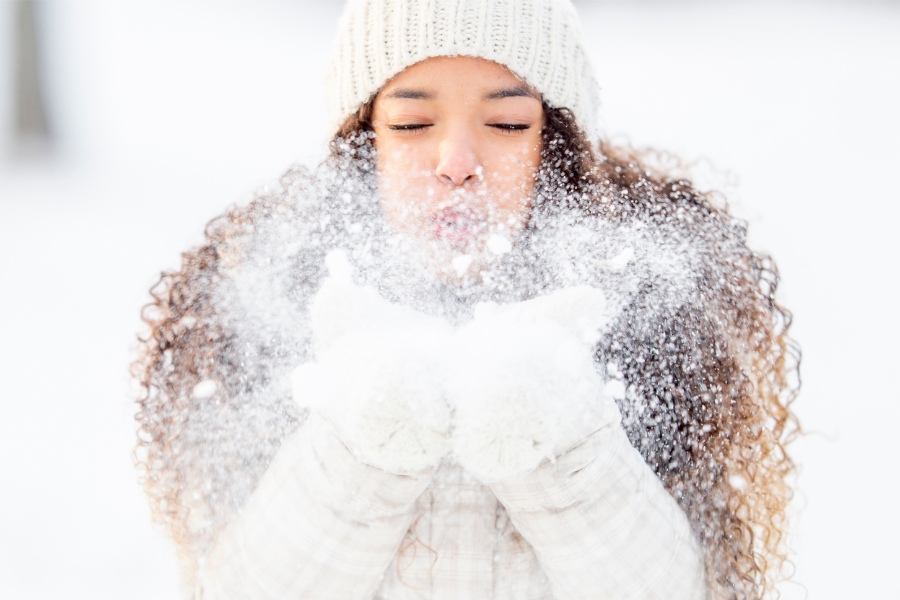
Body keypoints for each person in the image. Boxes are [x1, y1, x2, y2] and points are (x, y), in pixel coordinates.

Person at [133, 0, 798, 598]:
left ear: (555, 145)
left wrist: (558, 432)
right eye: (413, 122)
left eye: (507, 123)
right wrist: (360, 441)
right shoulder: (277, 311)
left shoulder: (645, 319)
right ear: (362, 145)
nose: (457, 159)